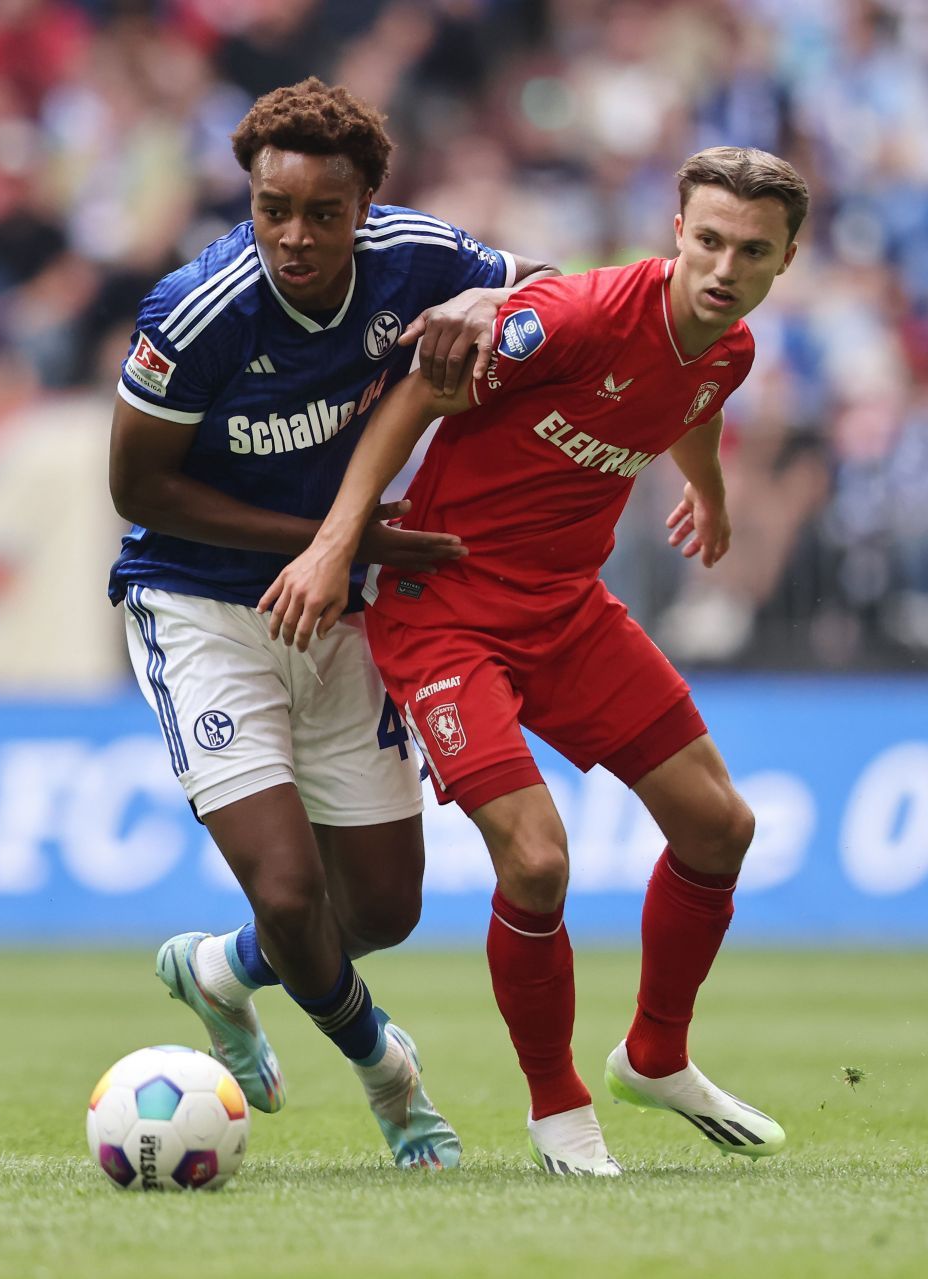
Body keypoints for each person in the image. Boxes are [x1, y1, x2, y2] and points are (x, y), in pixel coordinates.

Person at [259, 146, 809, 1174]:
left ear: (786, 260)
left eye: (754, 252)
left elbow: (693, 401)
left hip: (568, 608)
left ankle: (655, 1055)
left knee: (720, 826)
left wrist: (712, 489)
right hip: (446, 610)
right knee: (540, 859)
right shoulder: (577, 317)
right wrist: (337, 544)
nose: (725, 270)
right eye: (710, 243)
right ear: (676, 233)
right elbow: (418, 397)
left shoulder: (729, 350)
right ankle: (558, 1107)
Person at [106, 77, 557, 1168]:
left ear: (367, 207)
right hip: (204, 608)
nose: (293, 237)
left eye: (323, 213)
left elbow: (556, 291)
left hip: (340, 611)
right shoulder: (195, 311)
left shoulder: (421, 259)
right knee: (292, 888)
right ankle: (391, 1077)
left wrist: (491, 302)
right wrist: (330, 538)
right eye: (271, 209)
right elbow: (141, 491)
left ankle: (223, 970)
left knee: (384, 907)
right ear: (248, 197)